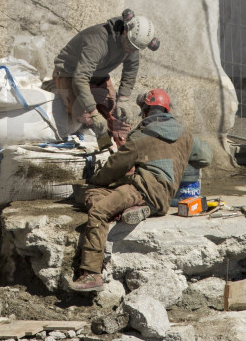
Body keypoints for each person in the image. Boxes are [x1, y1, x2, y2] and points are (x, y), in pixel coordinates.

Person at [66, 89, 213, 292]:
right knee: (96, 196)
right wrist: (180, 156)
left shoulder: (141, 136)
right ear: (167, 110)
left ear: (145, 111)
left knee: (98, 209)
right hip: (165, 197)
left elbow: (114, 167)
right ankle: (135, 209)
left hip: (142, 190)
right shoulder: (185, 134)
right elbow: (205, 158)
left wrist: (95, 180)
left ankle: (91, 274)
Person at [52, 9, 160, 146]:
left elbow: (131, 69)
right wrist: (93, 111)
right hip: (69, 73)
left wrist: (123, 98)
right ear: (125, 30)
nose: (130, 50)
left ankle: (122, 153)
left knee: (116, 117)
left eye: (134, 49)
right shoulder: (97, 41)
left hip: (97, 75)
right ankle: (102, 144)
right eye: (129, 46)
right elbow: (80, 78)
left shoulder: (131, 44)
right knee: (85, 116)